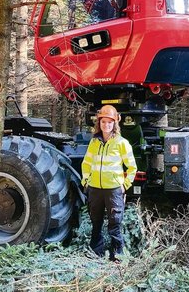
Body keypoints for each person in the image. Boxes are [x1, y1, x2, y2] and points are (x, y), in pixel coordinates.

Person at [81, 105, 137, 261]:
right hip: (95, 189)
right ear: (99, 123)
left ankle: (117, 256)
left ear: (115, 124)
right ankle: (95, 254)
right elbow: (86, 163)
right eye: (103, 122)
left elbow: (132, 167)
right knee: (96, 223)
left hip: (113, 190)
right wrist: (86, 181)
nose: (106, 125)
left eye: (109, 122)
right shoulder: (94, 143)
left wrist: (125, 185)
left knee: (114, 224)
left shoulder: (121, 143)